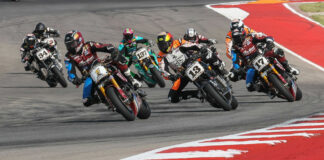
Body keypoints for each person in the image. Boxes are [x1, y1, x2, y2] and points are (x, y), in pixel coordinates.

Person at [64, 30, 141, 107]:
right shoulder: (68, 57)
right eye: (68, 45)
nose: (70, 47)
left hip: (101, 64)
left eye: (72, 44)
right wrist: (75, 79)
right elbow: (70, 71)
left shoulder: (89, 45)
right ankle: (103, 99)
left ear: (79, 41)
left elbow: (102, 46)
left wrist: (111, 49)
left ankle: (132, 80)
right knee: (86, 101)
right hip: (89, 75)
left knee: (118, 58)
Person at [156, 32, 227, 103]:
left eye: (164, 44)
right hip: (182, 73)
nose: (163, 47)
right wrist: (171, 76)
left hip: (193, 60)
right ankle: (196, 94)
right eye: (160, 46)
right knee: (171, 97)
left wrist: (200, 48)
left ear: (170, 42)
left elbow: (191, 45)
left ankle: (221, 69)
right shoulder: (160, 56)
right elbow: (163, 70)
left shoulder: (179, 42)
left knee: (208, 52)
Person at [231, 28, 299, 92]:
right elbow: (235, 61)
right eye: (235, 38)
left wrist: (269, 42)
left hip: (262, 55)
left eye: (238, 37)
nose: (236, 40)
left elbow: (266, 37)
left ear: (243, 35)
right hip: (251, 65)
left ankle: (288, 68)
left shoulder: (250, 38)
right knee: (249, 86)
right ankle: (265, 90)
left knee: (278, 51)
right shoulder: (234, 49)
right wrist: (238, 69)